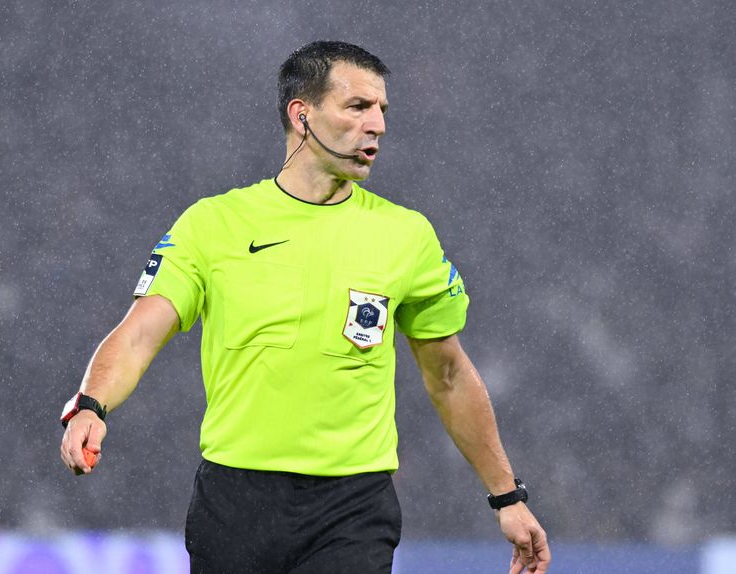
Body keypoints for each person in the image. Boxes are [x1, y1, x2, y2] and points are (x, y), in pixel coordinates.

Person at [59, 40, 550, 574]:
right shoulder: (213, 224)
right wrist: (91, 404)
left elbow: (449, 374)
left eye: (382, 110)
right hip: (235, 501)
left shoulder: (406, 236)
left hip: (351, 508)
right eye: (358, 107)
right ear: (302, 115)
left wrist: (508, 496)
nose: (378, 125)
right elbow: (137, 333)